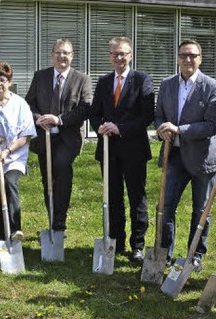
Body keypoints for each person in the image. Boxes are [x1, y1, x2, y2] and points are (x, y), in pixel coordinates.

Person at [154, 39, 216, 270]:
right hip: (173, 155)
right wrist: (162, 129)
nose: (188, 59)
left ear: (200, 58)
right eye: (183, 55)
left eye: (193, 55)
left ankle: (195, 255)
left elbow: (212, 125)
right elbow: (159, 115)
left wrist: (179, 130)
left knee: (201, 210)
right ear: (178, 58)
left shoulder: (212, 87)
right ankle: (164, 252)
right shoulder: (167, 85)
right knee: (166, 206)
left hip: (203, 159)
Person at [89, 36, 155, 262]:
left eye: (123, 53)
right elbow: (94, 113)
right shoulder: (104, 82)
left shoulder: (142, 80)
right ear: (110, 57)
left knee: (137, 197)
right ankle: (115, 241)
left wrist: (120, 128)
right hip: (108, 150)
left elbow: (147, 116)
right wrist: (100, 126)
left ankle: (137, 245)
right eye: (115, 54)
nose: (119, 57)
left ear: (130, 55)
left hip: (134, 148)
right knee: (113, 197)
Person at [25, 38, 92, 234]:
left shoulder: (82, 79)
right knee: (48, 178)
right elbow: (29, 104)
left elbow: (85, 109)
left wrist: (59, 119)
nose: (62, 56)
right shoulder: (40, 76)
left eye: (66, 53)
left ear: (72, 56)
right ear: (52, 55)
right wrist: (39, 119)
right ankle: (52, 218)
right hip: (43, 137)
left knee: (61, 170)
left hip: (68, 138)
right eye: (59, 52)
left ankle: (60, 223)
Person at [0, 62, 36, 255]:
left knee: (10, 185)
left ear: (9, 82)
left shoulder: (20, 104)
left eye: (2, 80)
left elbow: (26, 135)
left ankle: (15, 229)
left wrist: (7, 151)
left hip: (14, 157)